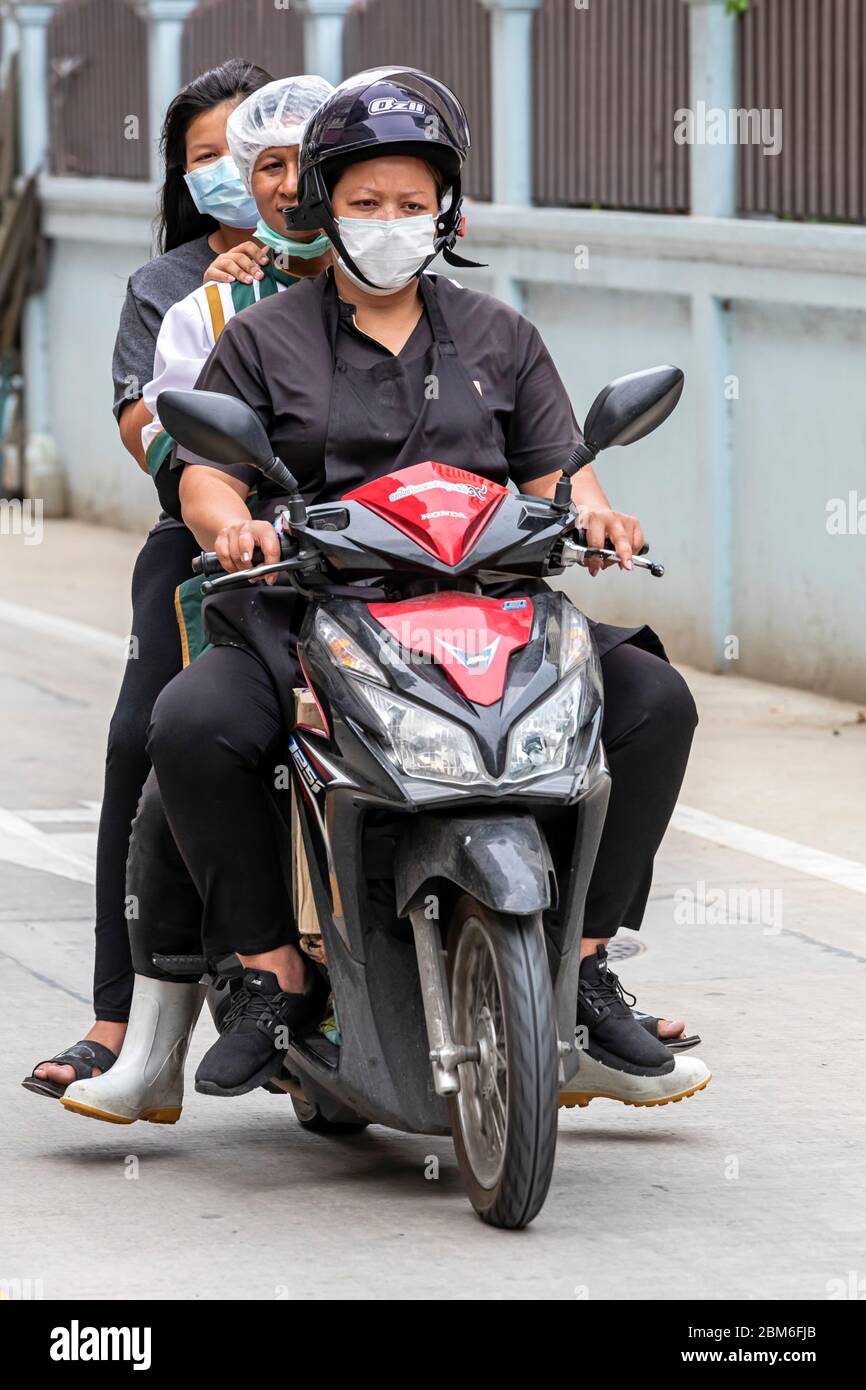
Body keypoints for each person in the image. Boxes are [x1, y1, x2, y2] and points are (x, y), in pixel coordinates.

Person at [63, 69, 709, 1126]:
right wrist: (228, 517)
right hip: (310, 614)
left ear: (444, 212)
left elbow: (555, 465)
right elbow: (204, 463)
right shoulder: (261, 339)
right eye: (366, 203)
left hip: (489, 614)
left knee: (650, 701)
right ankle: (271, 978)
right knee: (192, 723)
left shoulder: (501, 336)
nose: (390, 224)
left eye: (412, 204)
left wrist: (595, 513)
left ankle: (584, 970)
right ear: (325, 205)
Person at [22, 58, 275, 1100]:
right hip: (208, 540)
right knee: (145, 730)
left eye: (246, 153)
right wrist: (227, 323)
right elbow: (151, 437)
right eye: (202, 157)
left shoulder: (350, 266)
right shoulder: (170, 292)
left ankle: (561, 983)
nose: (228, 173)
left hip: (361, 541)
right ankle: (123, 1019)